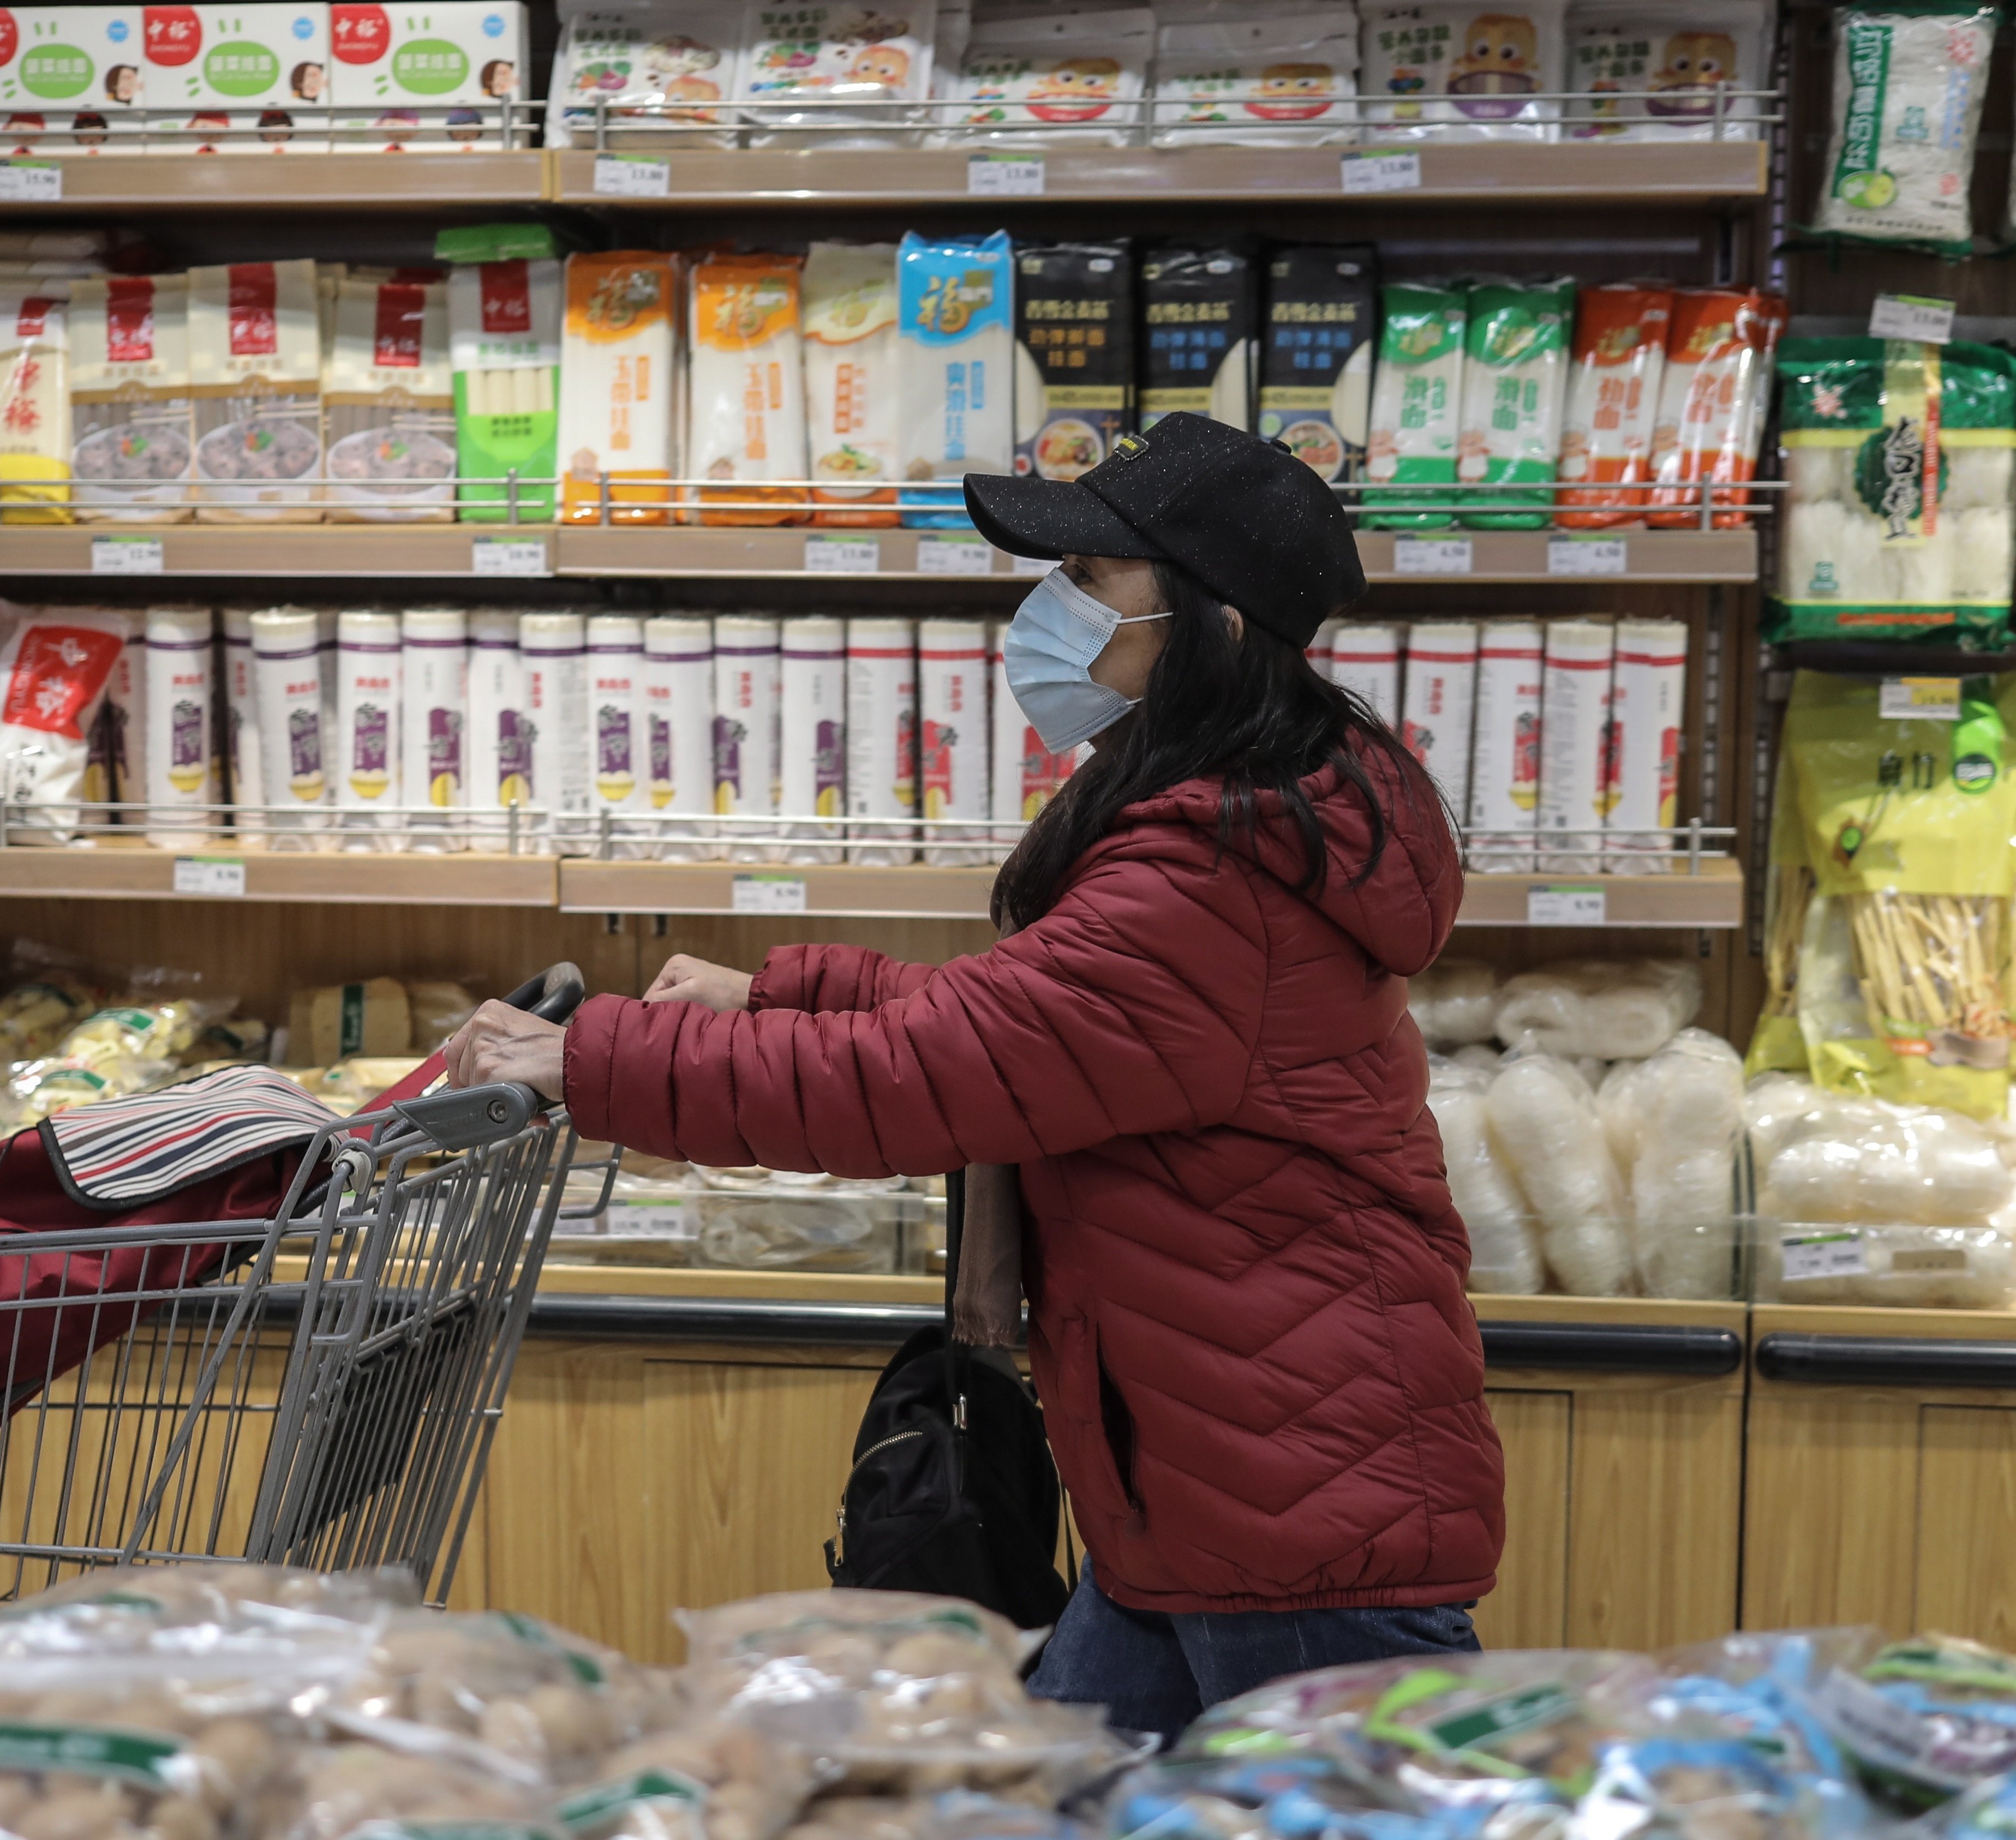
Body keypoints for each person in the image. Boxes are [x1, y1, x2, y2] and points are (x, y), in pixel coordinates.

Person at [444, 412, 1505, 1738]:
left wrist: (590, 1058)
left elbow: (934, 1071)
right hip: (1220, 1473)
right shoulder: (1227, 809)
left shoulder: (1210, 875)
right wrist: (772, 992)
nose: (1049, 606)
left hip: (1293, 1503)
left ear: (1213, 627)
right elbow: (1032, 1027)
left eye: (1092, 579)